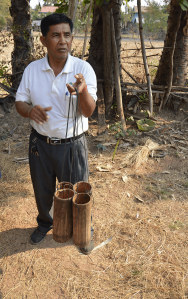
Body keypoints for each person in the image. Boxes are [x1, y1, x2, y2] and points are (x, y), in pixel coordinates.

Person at [15, 13, 97, 255]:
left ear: (71, 39)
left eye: (67, 35)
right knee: (43, 190)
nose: (63, 41)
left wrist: (81, 91)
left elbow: (88, 111)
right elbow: (20, 102)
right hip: (40, 144)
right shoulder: (32, 69)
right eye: (56, 35)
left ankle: (82, 231)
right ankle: (45, 223)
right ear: (43, 40)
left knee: (77, 191)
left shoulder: (82, 69)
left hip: (73, 145)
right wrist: (31, 111)